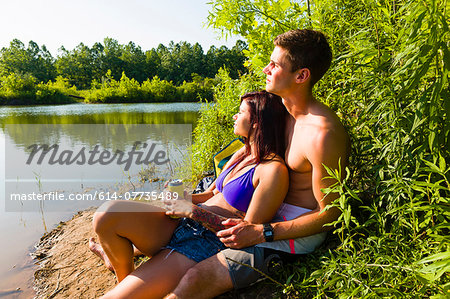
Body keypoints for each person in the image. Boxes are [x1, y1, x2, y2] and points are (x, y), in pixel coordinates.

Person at [164, 29, 350, 298]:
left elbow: (331, 213)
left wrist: (263, 233)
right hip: (263, 211)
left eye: (274, 65)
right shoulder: (281, 110)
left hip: (293, 229)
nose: (266, 68)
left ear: (301, 76)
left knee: (195, 278)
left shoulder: (323, 134)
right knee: (161, 223)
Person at [90, 90, 290, 298]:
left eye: (240, 112)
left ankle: (131, 290)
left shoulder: (273, 171)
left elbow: (243, 236)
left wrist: (191, 211)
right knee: (107, 214)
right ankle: (127, 282)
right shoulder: (245, 152)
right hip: (183, 224)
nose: (234, 116)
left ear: (257, 122)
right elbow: (211, 192)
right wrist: (185, 198)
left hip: (204, 243)